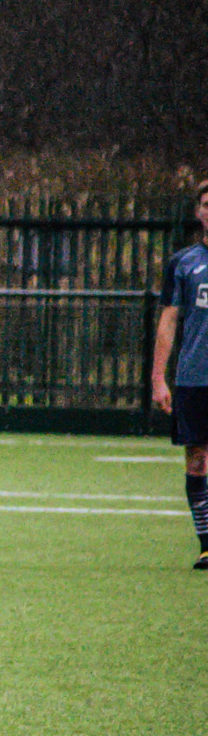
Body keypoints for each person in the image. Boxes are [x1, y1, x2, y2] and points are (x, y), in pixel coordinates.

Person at [152, 180, 208, 570]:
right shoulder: (183, 263)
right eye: (207, 203)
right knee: (197, 459)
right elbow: (169, 321)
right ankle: (207, 544)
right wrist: (158, 378)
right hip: (195, 376)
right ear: (199, 212)